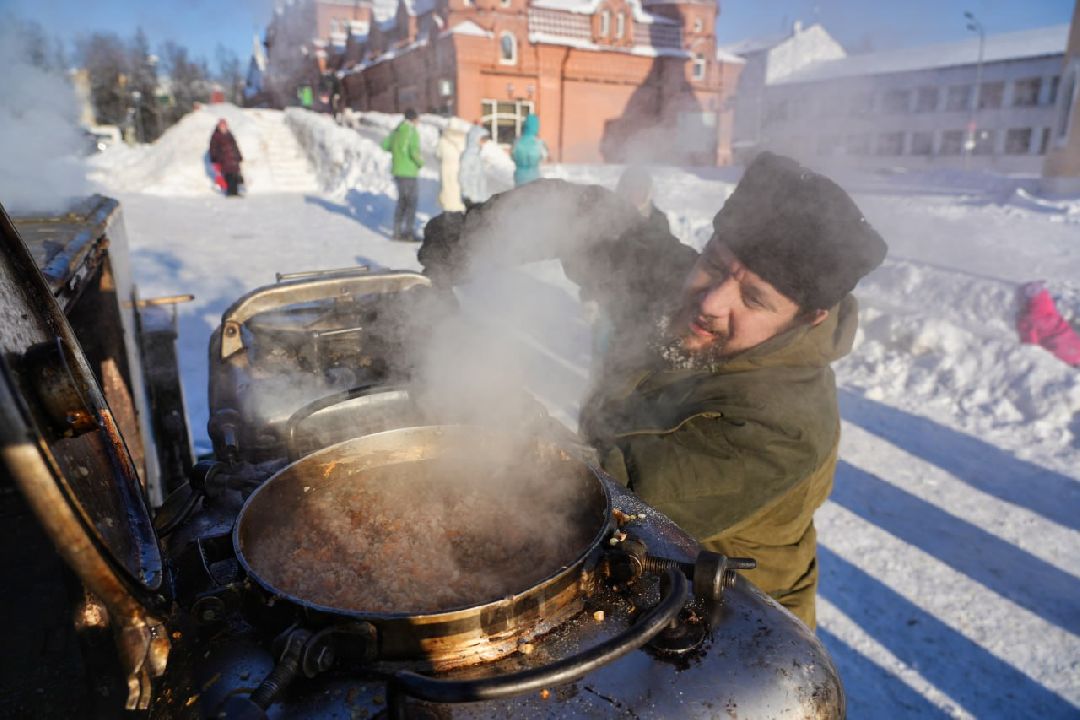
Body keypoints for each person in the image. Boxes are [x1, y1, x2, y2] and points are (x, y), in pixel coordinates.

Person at [419, 152, 887, 629]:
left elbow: (600, 499)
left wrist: (484, 394)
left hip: (732, 622)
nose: (709, 302)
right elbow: (582, 215)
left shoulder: (782, 425)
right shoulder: (679, 283)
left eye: (753, 300)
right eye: (715, 263)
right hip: (641, 573)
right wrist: (471, 236)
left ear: (809, 318)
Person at [381, 108, 424, 241]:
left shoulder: (397, 130)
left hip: (397, 171)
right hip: (409, 172)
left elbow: (384, 145)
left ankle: (397, 232)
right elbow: (413, 151)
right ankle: (409, 232)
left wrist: (397, 153)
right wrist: (420, 163)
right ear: (414, 119)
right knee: (411, 202)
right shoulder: (412, 131)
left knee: (402, 202)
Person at [435, 118, 468, 213]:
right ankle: (456, 206)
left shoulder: (443, 140)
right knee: (456, 187)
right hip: (457, 167)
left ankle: (448, 207)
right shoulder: (462, 139)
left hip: (445, 167)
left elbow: (438, 154)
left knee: (447, 187)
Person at [208, 118, 244, 197]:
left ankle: (235, 192)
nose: (223, 127)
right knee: (228, 176)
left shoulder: (230, 134)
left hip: (233, 158)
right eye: (222, 125)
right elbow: (213, 148)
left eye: (224, 125)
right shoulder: (215, 136)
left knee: (235, 175)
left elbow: (235, 146)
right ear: (219, 126)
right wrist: (214, 157)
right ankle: (230, 192)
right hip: (224, 159)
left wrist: (239, 155)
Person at [459, 125, 491, 209]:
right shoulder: (468, 156)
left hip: (480, 198)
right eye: (482, 140)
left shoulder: (477, 155)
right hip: (472, 199)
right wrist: (466, 195)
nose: (483, 143)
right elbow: (463, 176)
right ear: (475, 139)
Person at [511, 113, 548, 186]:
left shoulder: (517, 142)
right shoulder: (539, 142)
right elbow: (544, 156)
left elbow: (512, 156)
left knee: (519, 196)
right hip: (534, 176)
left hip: (519, 176)